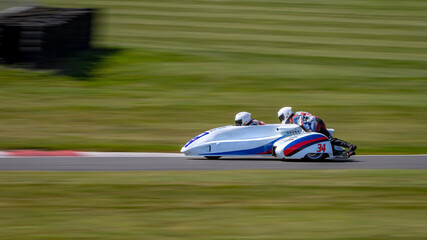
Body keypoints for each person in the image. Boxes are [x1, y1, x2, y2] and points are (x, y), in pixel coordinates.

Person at [277, 107, 357, 156]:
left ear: (286, 114)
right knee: (329, 139)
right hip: (318, 121)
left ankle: (335, 150)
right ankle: (350, 146)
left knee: (319, 139)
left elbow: (302, 122)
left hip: (315, 123)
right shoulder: (297, 114)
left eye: (281, 117)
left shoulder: (295, 118)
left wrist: (309, 131)